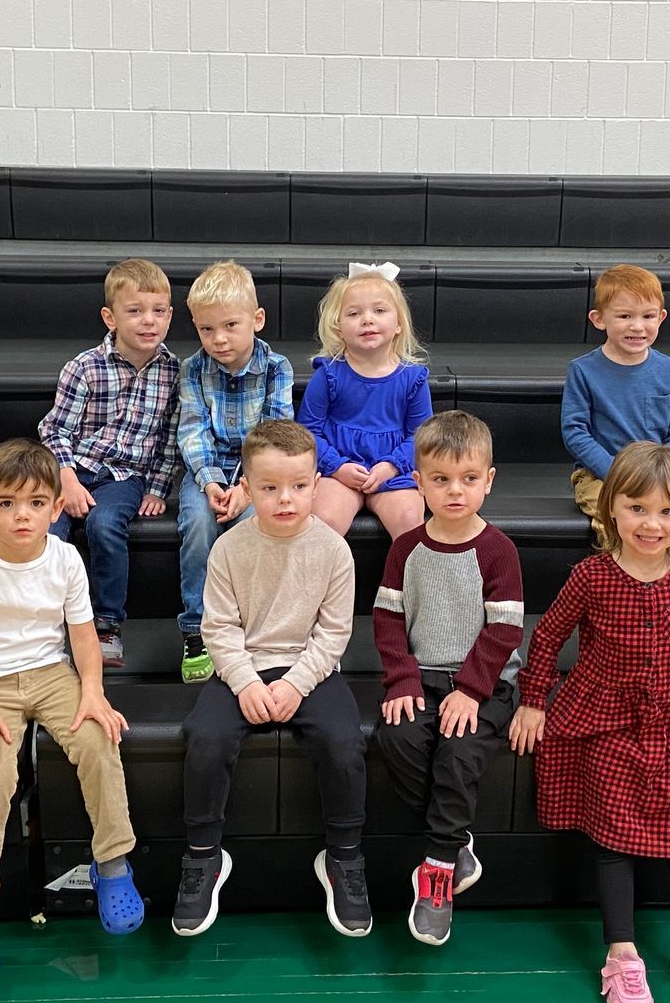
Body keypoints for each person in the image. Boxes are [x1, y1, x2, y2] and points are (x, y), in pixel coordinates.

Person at [509, 442, 670, 1003]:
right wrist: (534, 701)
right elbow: (545, 640)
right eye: (638, 508)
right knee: (613, 838)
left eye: (667, 512)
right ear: (611, 510)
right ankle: (621, 955)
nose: (652, 523)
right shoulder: (591, 576)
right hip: (607, 718)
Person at [0, 439, 140, 982]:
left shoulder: (66, 556)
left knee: (99, 741)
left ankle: (113, 863)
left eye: (34, 503)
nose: (21, 515)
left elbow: (84, 637)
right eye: (6, 504)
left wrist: (93, 691)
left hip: (52, 675)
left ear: (55, 508)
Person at [175, 420, 368, 938]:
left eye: (299, 487)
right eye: (269, 488)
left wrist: (295, 684)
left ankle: (344, 859)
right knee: (205, 739)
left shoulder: (333, 550)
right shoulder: (228, 549)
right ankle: (203, 856)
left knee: (344, 743)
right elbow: (218, 628)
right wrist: (245, 683)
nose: (286, 499)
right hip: (243, 668)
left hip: (312, 670)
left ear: (315, 483)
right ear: (247, 487)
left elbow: (333, 636)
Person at [374, 411, 524, 945]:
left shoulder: (498, 550)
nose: (454, 491)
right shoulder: (406, 547)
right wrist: (401, 680)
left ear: (488, 480)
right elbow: (389, 620)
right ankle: (456, 842)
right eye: (440, 479)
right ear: (418, 482)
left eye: (467, 479)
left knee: (458, 752)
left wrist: (470, 689)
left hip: (485, 683)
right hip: (421, 676)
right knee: (398, 738)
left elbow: (504, 630)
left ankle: (436, 870)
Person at [39, 258, 183, 671]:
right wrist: (66, 478)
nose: (148, 321)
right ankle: (43, 623)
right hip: (72, 465)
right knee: (48, 530)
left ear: (170, 316)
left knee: (105, 526)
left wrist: (157, 487)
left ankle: (107, 624)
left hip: (127, 474)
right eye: (134, 311)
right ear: (110, 317)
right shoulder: (84, 367)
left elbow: (169, 438)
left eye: (158, 311)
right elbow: (54, 431)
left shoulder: (173, 372)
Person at [175, 260, 294, 683]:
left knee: (252, 526)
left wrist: (247, 487)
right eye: (207, 330)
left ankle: (250, 625)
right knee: (197, 524)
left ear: (257, 319)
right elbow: (192, 430)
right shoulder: (192, 369)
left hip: (258, 473)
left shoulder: (277, 367)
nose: (219, 339)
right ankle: (197, 628)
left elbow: (274, 433)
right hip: (206, 469)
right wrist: (209, 481)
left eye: (230, 325)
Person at [561, 263, 670, 557]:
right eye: (625, 316)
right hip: (602, 476)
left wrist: (665, 472)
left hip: (660, 475)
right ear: (599, 319)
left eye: (648, 316)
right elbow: (575, 432)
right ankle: (623, 591)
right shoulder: (582, 370)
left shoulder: (668, 370)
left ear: (661, 317)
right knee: (617, 519)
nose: (637, 326)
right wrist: (617, 472)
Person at [300, 261, 431, 540]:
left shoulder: (413, 378)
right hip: (338, 470)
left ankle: (403, 584)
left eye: (379, 311)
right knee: (325, 520)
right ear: (338, 327)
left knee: (410, 520)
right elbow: (307, 433)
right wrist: (337, 466)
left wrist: (391, 466)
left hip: (394, 470)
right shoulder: (329, 374)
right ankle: (327, 583)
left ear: (398, 324)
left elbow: (421, 436)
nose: (367, 319)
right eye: (354, 313)